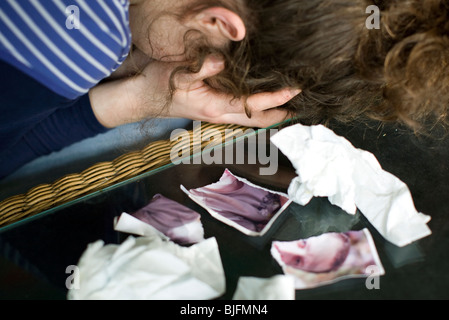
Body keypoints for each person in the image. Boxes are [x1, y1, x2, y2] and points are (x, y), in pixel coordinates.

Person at [1, 0, 448, 179]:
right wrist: (138, 101)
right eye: (192, 61)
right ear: (218, 22)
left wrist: (144, 83)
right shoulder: (84, 34)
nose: (174, 65)